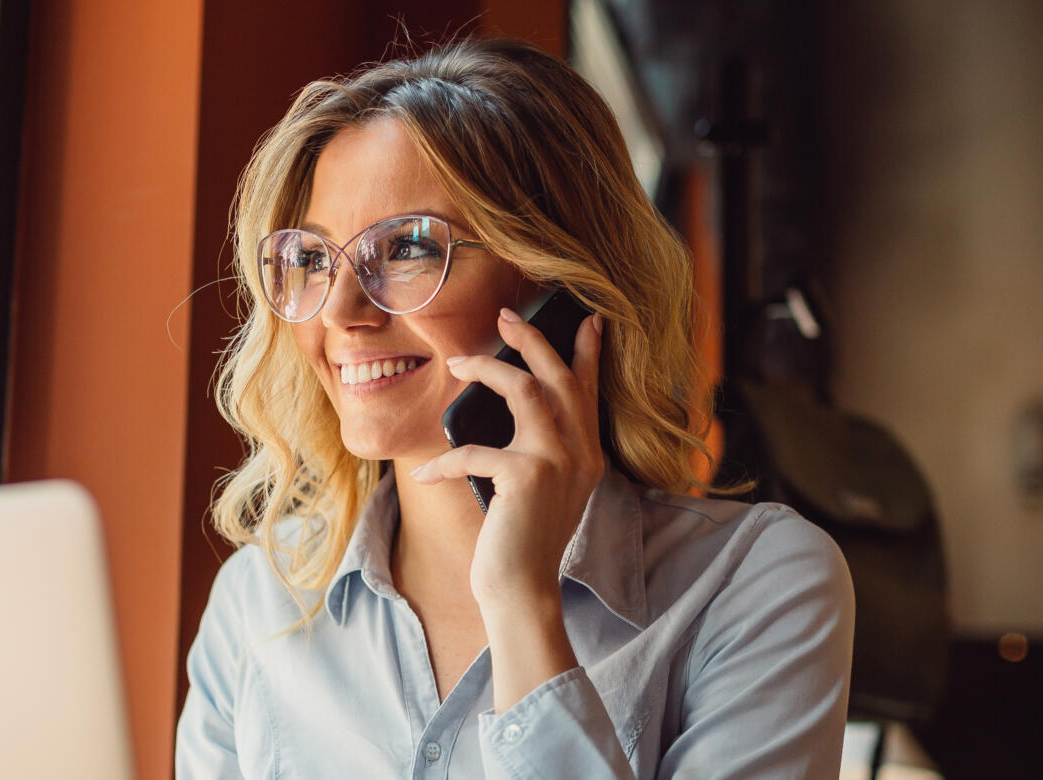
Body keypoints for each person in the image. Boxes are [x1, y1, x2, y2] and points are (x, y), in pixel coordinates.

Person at [176, 37, 854, 779]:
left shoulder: (756, 583)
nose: (339, 313)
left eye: (406, 249)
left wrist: (523, 600)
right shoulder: (258, 602)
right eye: (312, 259)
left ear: (559, 292)